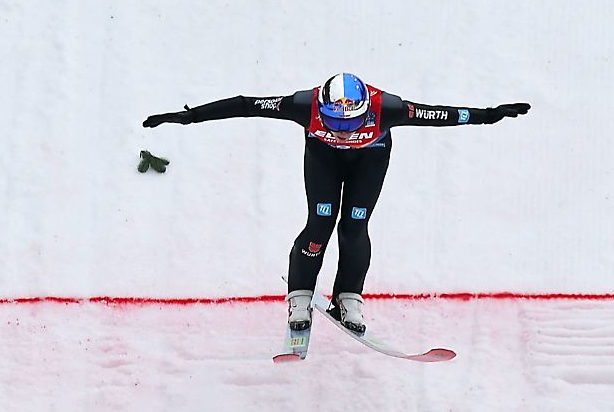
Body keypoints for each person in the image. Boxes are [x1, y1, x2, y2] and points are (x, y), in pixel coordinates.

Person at [142, 73, 529, 334]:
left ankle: (349, 296)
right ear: (321, 108)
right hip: (323, 160)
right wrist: (189, 117)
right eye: (334, 122)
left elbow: (441, 115)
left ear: (365, 110)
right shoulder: (302, 104)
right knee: (320, 223)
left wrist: (489, 116)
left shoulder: (388, 108)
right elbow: (247, 104)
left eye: (349, 124)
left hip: (370, 159)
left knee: (355, 225)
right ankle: (300, 297)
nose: (342, 131)